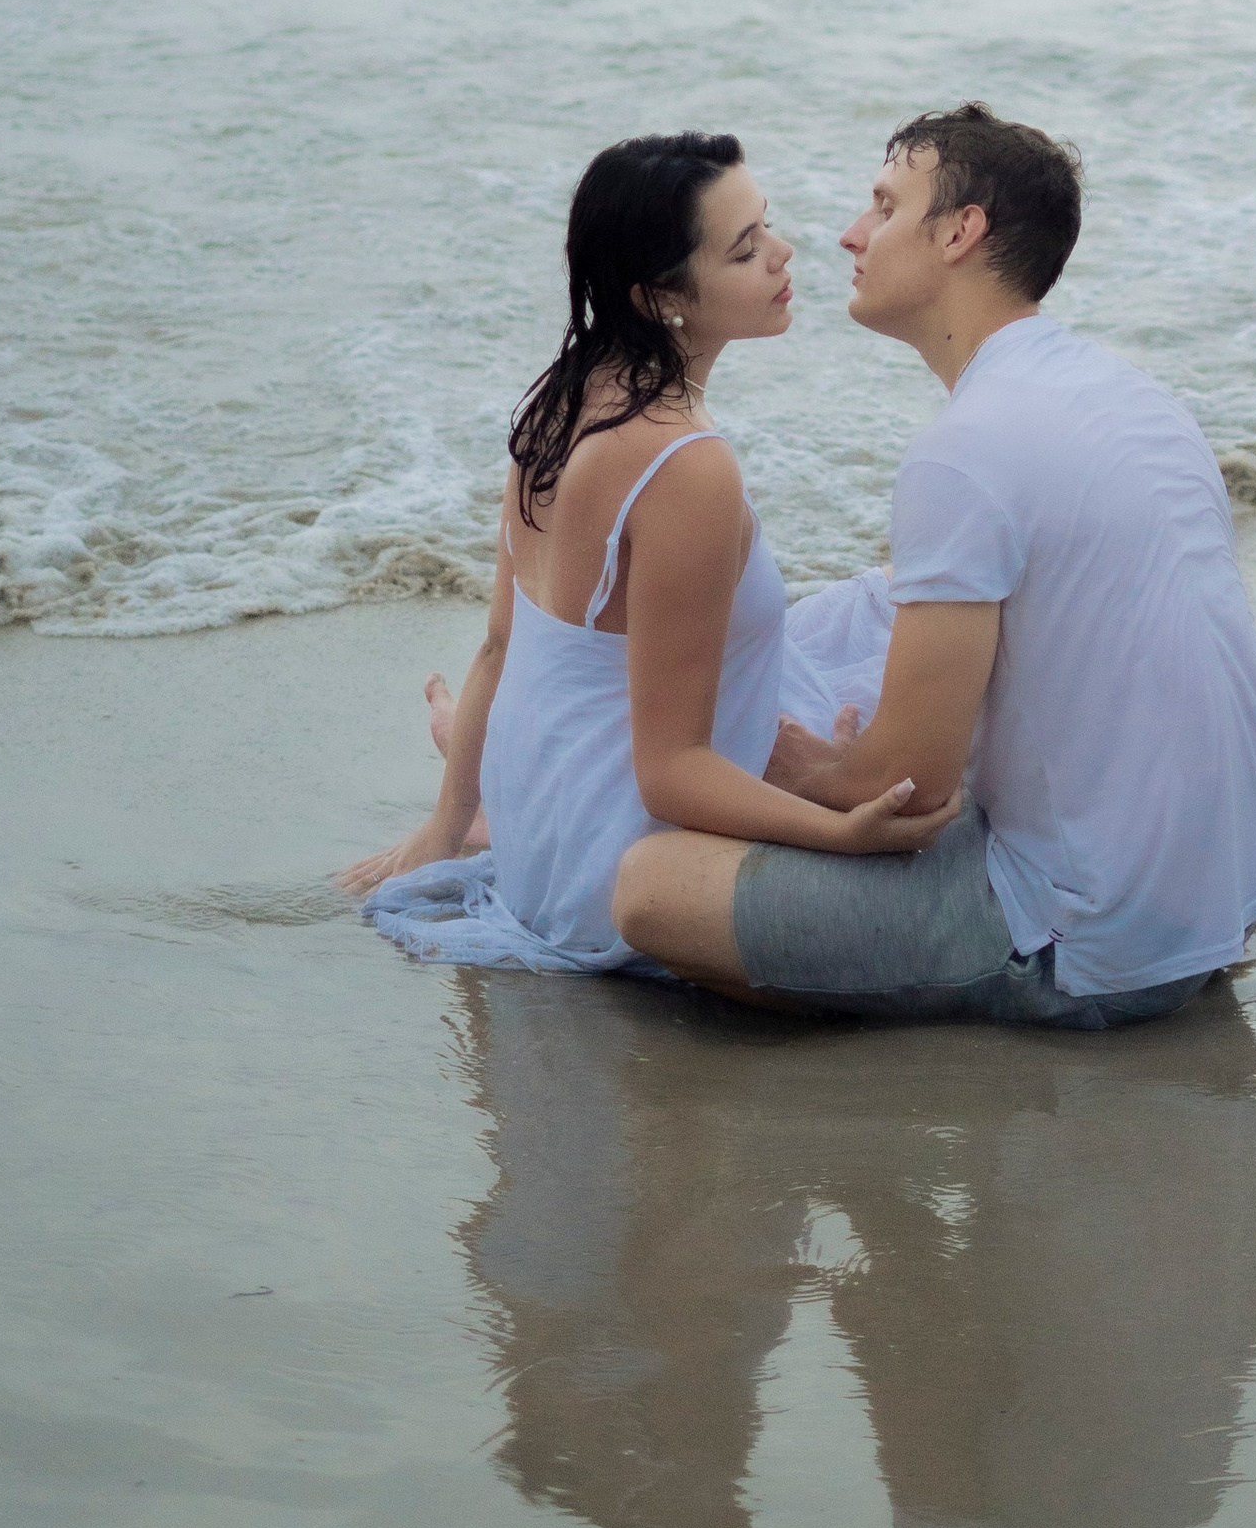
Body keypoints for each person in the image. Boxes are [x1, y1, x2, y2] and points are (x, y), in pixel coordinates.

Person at [612, 105, 1256, 1030]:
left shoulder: (963, 452)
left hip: (1095, 947)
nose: (848, 234)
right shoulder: (1133, 394)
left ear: (961, 232)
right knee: (871, 621)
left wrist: (803, 773)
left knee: (648, 885)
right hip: (1217, 891)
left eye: (883, 208)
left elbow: (912, 791)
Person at [351, 131, 954, 972]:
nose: (785, 255)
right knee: (942, 699)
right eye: (746, 252)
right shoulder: (684, 466)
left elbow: (500, 646)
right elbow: (671, 775)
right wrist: (841, 833)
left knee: (877, 608)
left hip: (549, 847)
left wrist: (442, 831)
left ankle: (497, 791)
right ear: (659, 296)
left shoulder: (560, 401)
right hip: (622, 878)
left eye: (766, 227)